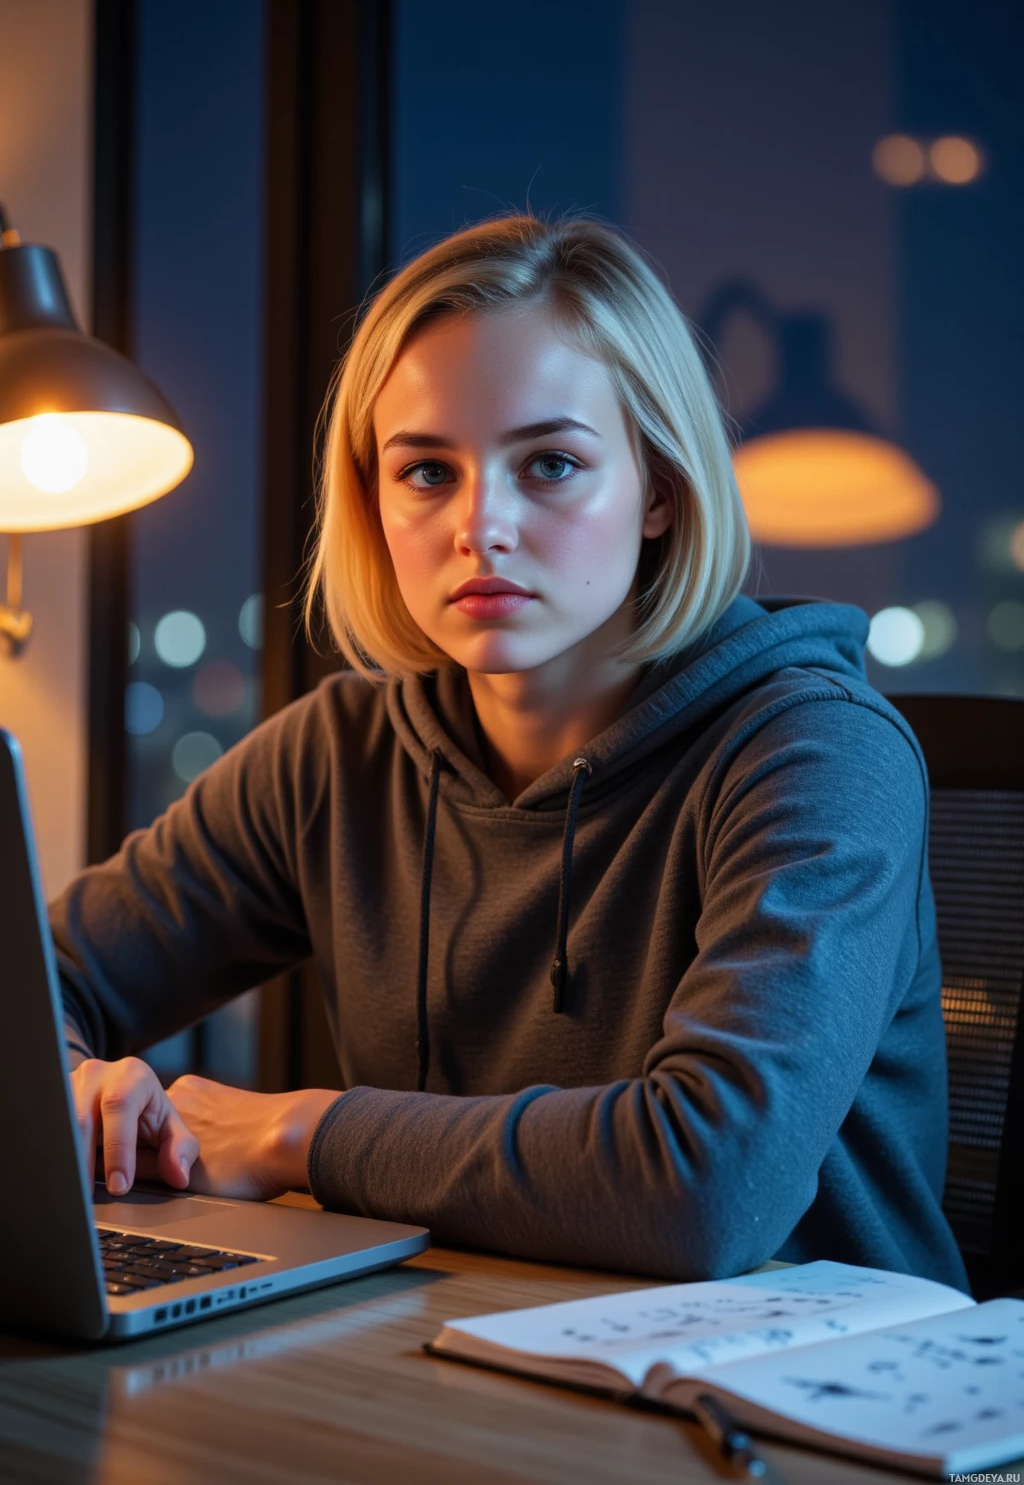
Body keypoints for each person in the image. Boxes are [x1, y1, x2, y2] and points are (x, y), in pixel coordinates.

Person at [52, 212, 968, 1290]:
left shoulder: (816, 752)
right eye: (426, 472)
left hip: (805, 1374)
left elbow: (710, 1186)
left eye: (550, 464)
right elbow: (38, 982)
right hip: (461, 1336)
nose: (479, 527)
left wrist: (299, 1133)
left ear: (659, 489)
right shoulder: (337, 757)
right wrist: (74, 1090)